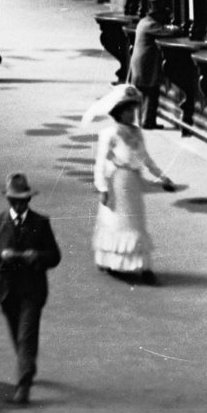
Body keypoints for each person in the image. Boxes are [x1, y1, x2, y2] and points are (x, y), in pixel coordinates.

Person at [0, 172, 62, 405]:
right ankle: (28, 365)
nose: (20, 204)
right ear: (8, 201)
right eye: (15, 200)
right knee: (18, 334)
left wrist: (37, 257)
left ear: (29, 200)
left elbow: (55, 256)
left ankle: (23, 385)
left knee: (26, 335)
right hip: (6, 291)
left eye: (24, 200)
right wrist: (0, 255)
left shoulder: (41, 222)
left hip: (32, 290)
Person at [85, 83, 181, 284]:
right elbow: (100, 163)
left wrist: (161, 176)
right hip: (117, 182)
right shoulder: (110, 134)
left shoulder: (137, 133)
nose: (131, 114)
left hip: (133, 184)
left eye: (133, 110)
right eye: (127, 110)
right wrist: (102, 187)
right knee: (117, 222)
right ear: (117, 113)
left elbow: (146, 158)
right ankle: (112, 260)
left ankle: (142, 265)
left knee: (135, 224)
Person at [129, 0, 176, 129]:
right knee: (151, 92)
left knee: (144, 93)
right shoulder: (151, 24)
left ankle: (141, 120)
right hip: (145, 64)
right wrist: (175, 27)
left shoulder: (143, 22)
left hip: (140, 63)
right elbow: (168, 31)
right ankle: (148, 122)